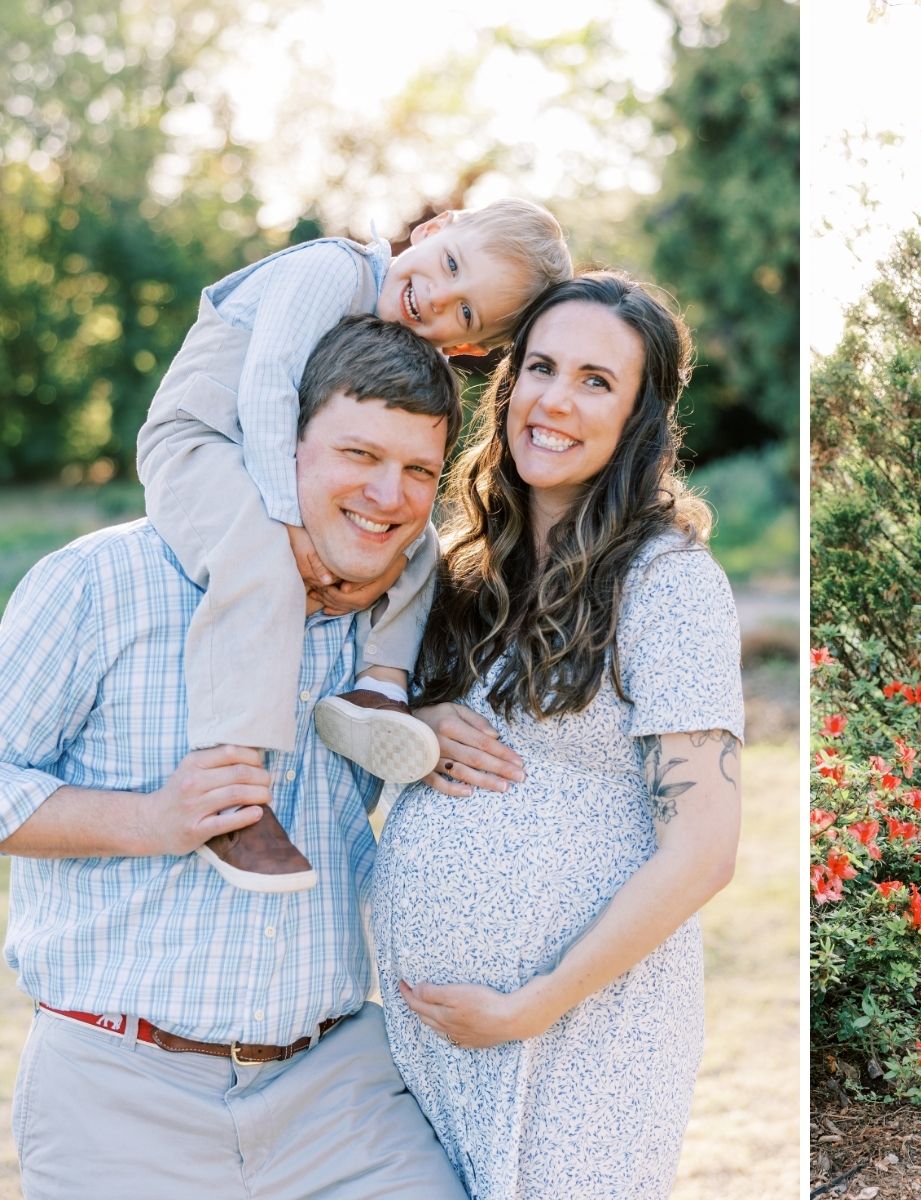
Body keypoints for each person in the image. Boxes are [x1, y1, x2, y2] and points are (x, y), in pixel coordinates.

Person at [0, 316, 470, 1198]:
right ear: (281, 440)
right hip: (120, 1091)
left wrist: (437, 713)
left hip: (337, 1090)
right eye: (359, 454)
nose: (389, 495)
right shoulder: (101, 583)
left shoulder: (397, 618)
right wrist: (152, 820)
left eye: (419, 470)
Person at [368, 272, 744, 1198]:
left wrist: (532, 1006)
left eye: (595, 381)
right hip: (430, 1040)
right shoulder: (459, 570)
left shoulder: (666, 581)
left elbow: (704, 852)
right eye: (540, 367)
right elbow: (353, 706)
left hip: (580, 1035)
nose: (555, 400)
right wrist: (416, 724)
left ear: (639, 417)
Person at [136, 199, 572, 892]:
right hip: (201, 438)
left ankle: (379, 690)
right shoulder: (332, 269)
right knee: (261, 563)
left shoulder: (401, 337)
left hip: (267, 460)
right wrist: (291, 528)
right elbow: (267, 385)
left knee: (420, 544)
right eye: (450, 264)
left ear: (468, 348)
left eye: (464, 312)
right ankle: (231, 794)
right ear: (433, 229)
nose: (437, 297)